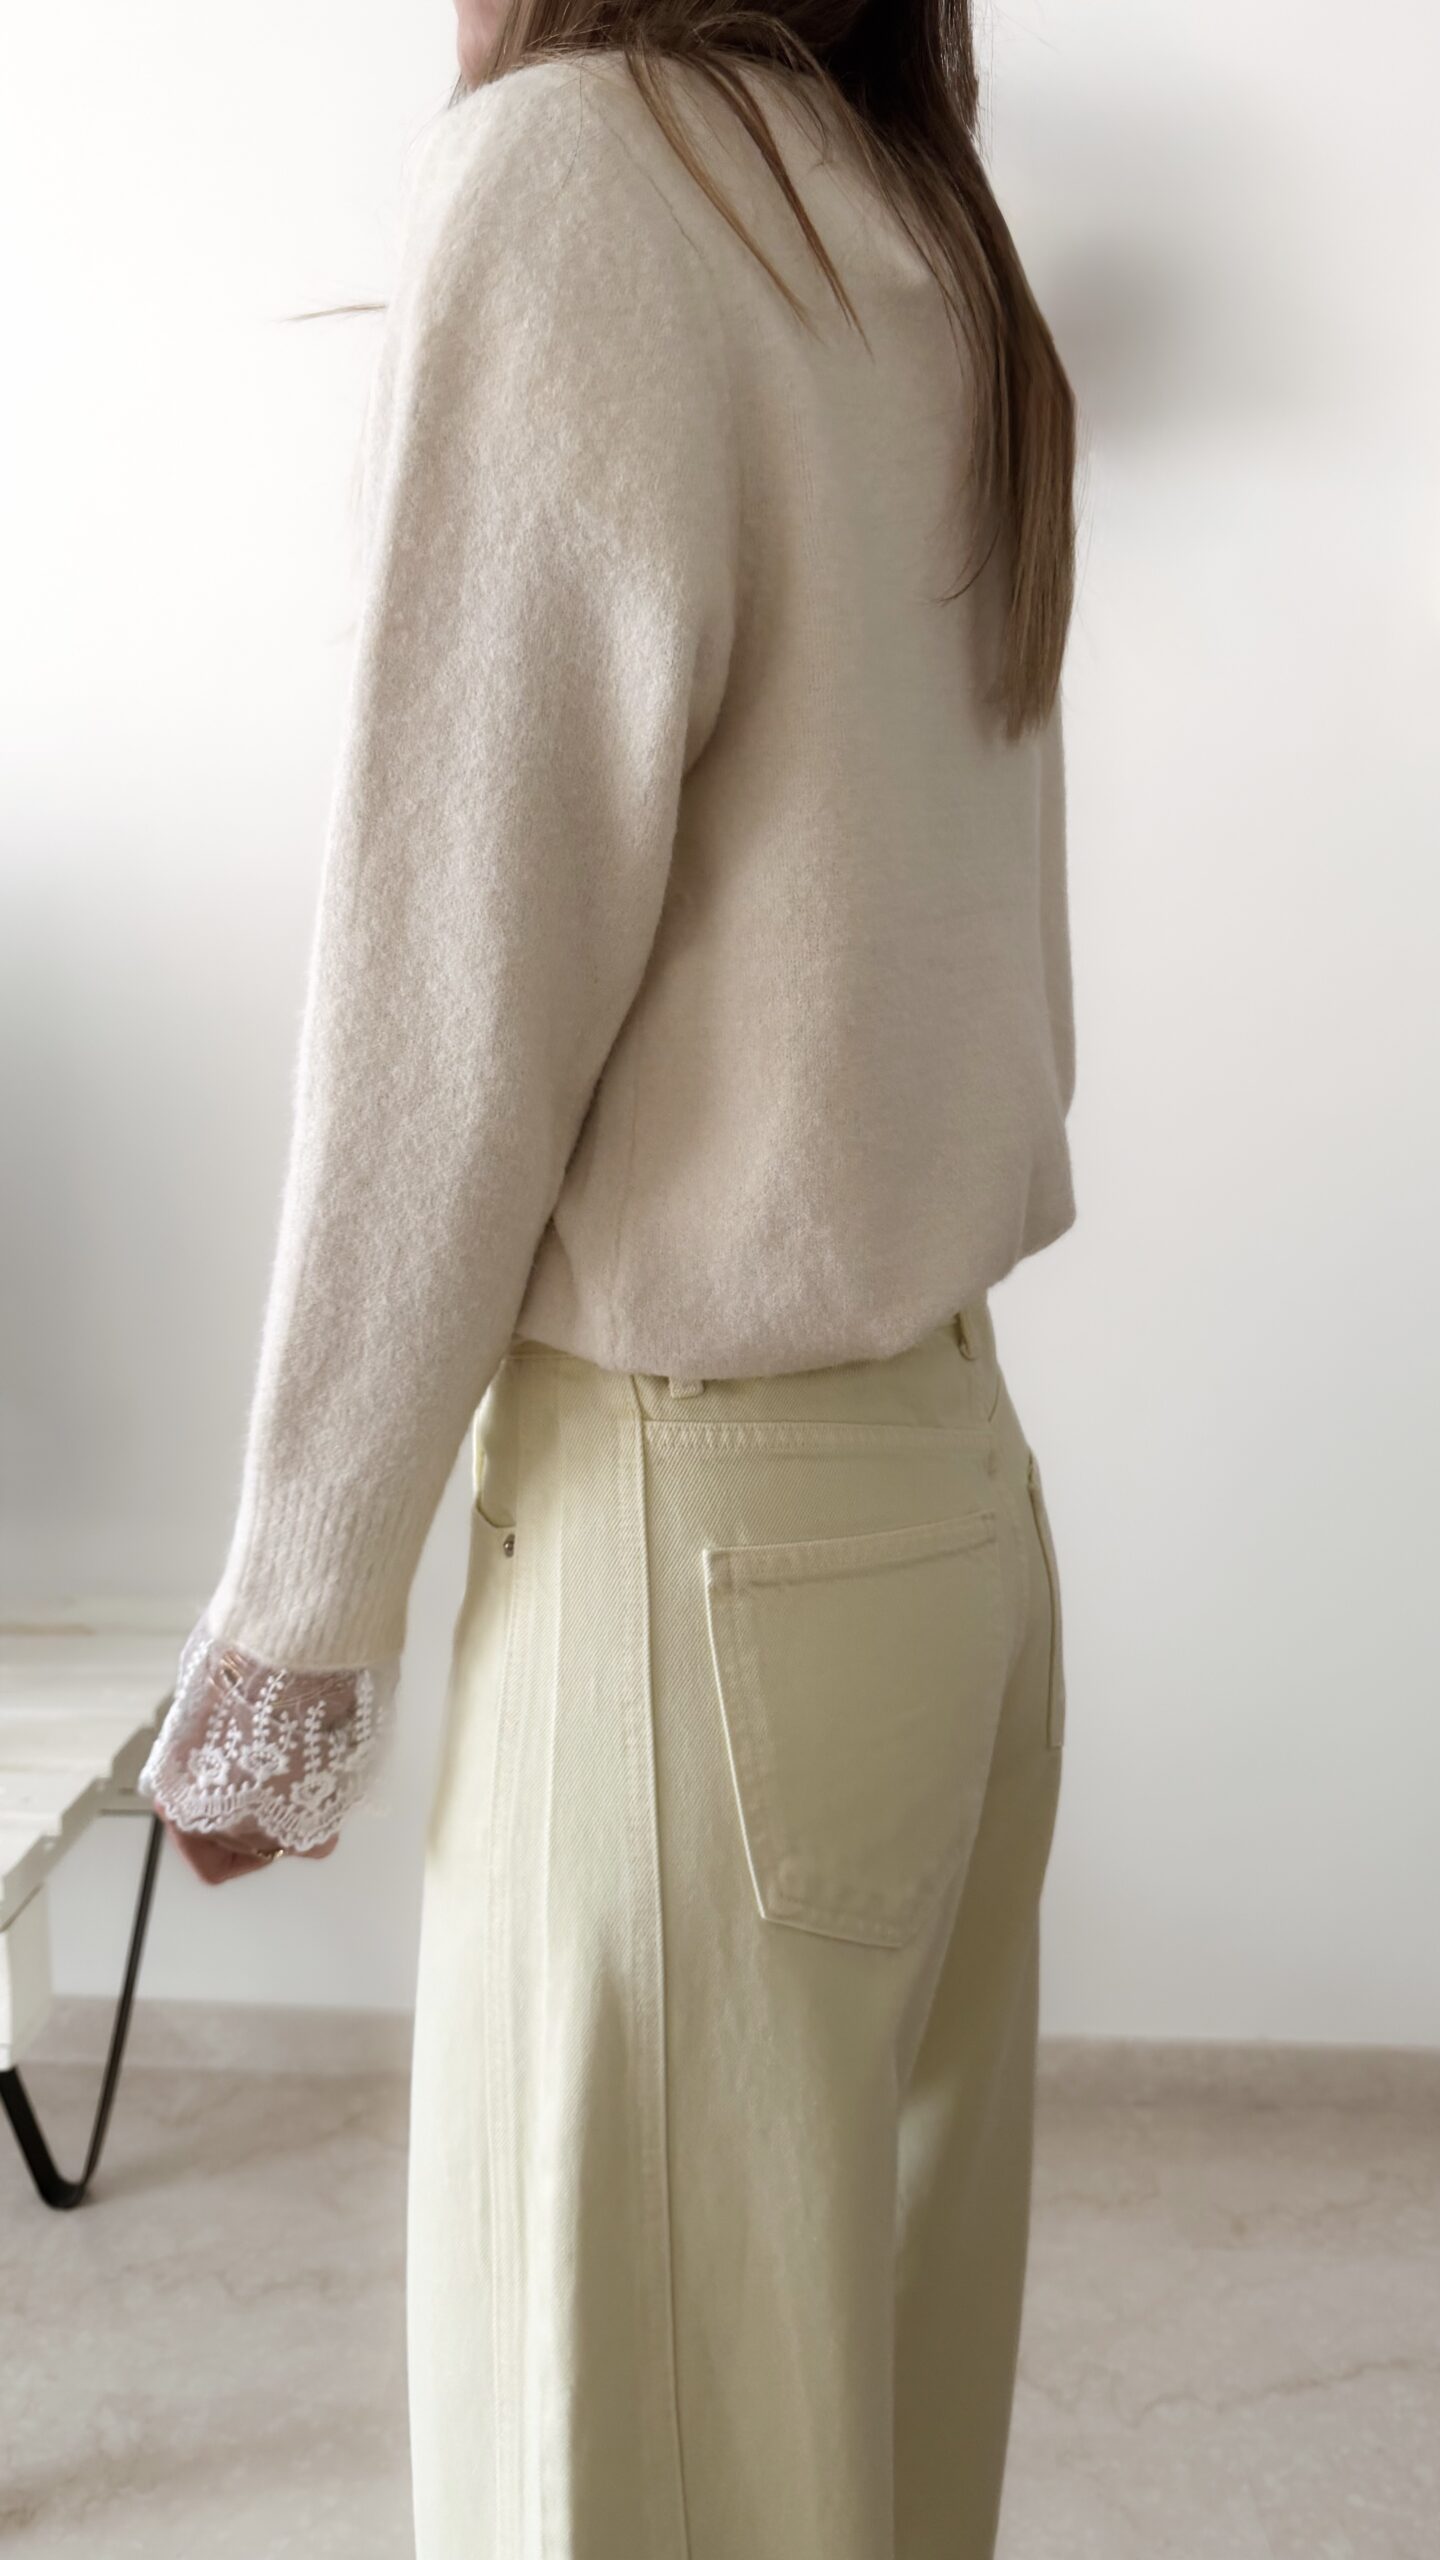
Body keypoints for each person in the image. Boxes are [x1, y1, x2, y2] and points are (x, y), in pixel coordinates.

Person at [141, 2, 1078, 2551]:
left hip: (699, 1569)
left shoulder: (578, 178)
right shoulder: (903, 196)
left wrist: (297, 1618)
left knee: (621, 2488)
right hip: (950, 1515)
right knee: (863, 2481)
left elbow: (452, 981)